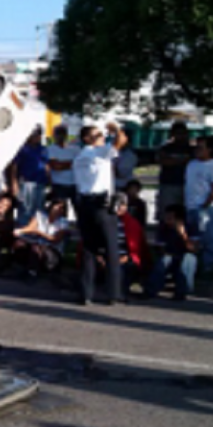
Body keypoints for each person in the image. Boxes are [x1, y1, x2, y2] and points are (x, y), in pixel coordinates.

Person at [73, 122, 129, 305]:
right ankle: (114, 292)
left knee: (89, 248)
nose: (102, 137)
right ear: (87, 139)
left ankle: (85, 292)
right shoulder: (98, 153)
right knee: (111, 248)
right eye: (98, 135)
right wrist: (116, 129)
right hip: (101, 204)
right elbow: (122, 140)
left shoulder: (79, 157)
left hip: (84, 203)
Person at [184, 137, 213, 269]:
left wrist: (205, 205)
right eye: (196, 148)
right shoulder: (191, 164)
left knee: (209, 238)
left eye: (201, 148)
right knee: (194, 237)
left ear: (209, 150)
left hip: (206, 208)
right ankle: (196, 265)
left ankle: (212, 265)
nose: (197, 150)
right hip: (190, 206)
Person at [145, 204, 198, 301]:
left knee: (189, 259)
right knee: (164, 261)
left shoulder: (190, 227)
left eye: (170, 217)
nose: (167, 220)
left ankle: (182, 291)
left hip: (185, 255)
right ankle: (151, 290)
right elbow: (161, 247)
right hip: (170, 255)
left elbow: (193, 249)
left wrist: (183, 235)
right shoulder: (164, 228)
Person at [13, 197, 70, 278]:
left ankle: (32, 272)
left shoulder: (63, 222)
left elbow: (55, 239)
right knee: (19, 243)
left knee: (36, 247)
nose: (57, 209)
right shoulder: (40, 215)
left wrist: (39, 232)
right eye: (56, 206)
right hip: (37, 244)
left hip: (52, 251)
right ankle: (20, 266)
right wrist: (20, 231)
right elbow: (31, 227)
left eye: (61, 208)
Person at [156, 122, 194, 222]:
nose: (180, 136)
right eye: (177, 133)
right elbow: (164, 161)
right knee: (167, 212)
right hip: (169, 184)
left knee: (185, 214)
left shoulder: (192, 149)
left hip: (187, 185)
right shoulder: (166, 148)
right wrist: (183, 160)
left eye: (183, 133)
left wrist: (175, 161)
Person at [13, 126, 49, 226]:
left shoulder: (43, 149)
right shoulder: (22, 148)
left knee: (39, 209)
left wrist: (50, 181)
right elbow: (14, 167)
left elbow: (46, 166)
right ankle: (23, 234)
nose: (37, 137)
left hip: (41, 183)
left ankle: (37, 231)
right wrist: (14, 183)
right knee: (26, 209)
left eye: (39, 134)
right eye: (34, 134)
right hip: (26, 182)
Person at [47, 125, 80, 202]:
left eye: (63, 133)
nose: (60, 136)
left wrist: (63, 164)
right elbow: (56, 166)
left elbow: (81, 165)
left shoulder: (75, 149)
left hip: (75, 185)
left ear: (66, 134)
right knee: (60, 210)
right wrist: (73, 163)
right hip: (59, 185)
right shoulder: (50, 149)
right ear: (53, 135)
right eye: (58, 133)